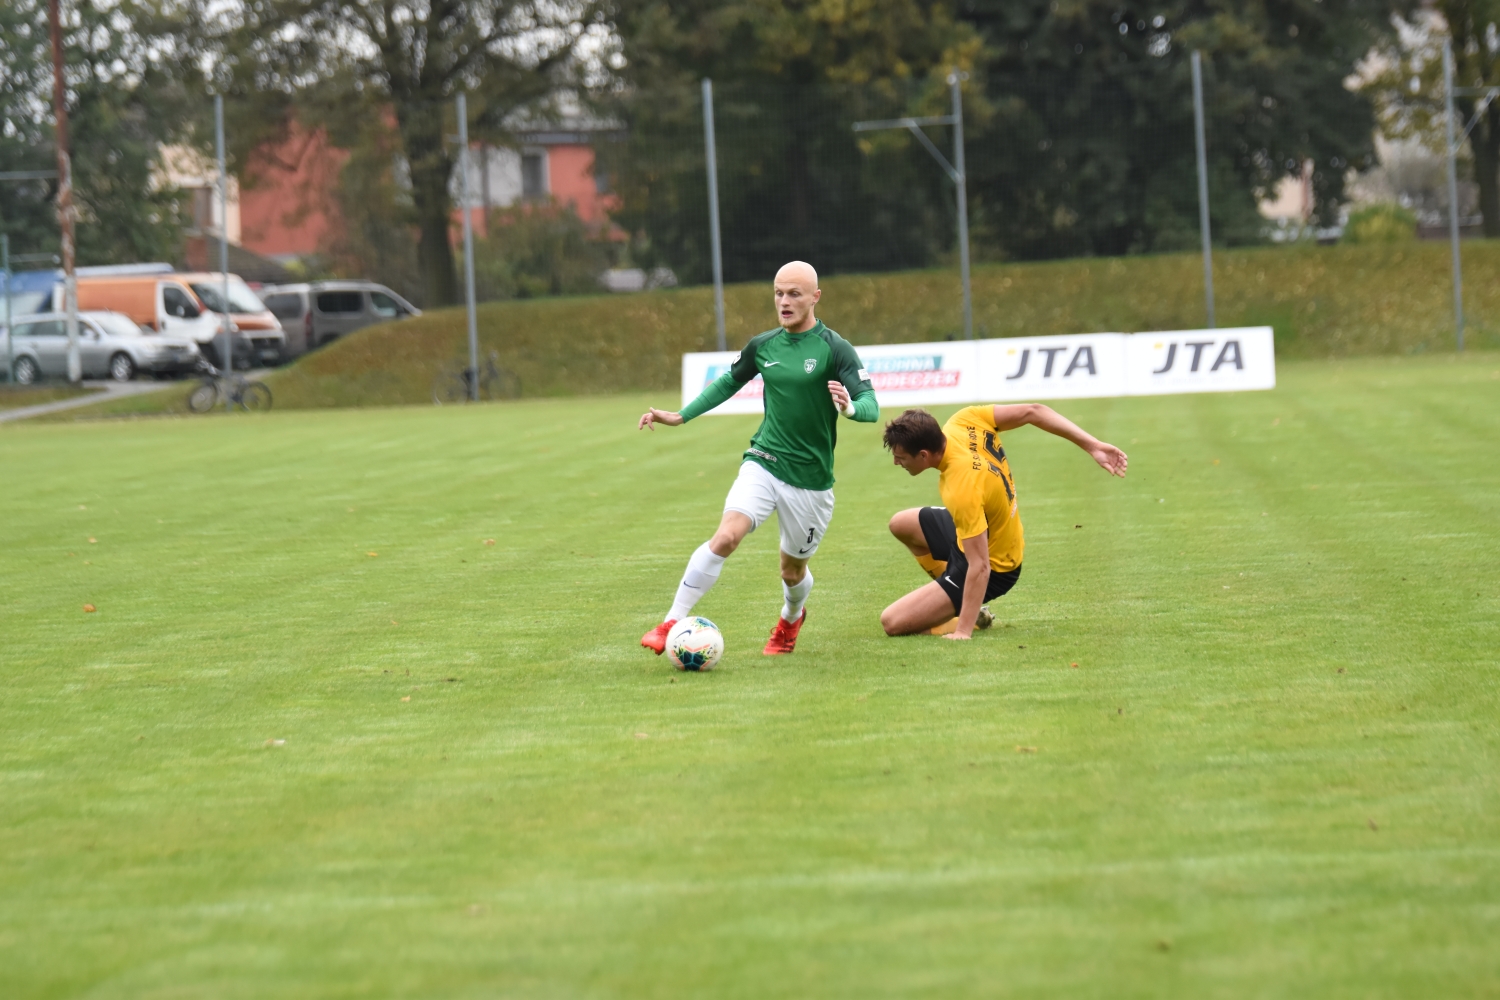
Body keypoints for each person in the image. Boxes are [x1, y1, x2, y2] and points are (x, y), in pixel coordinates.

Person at [638, 261, 879, 655]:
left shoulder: (835, 348)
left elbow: (872, 404)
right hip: (764, 460)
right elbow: (728, 382)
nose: (784, 302)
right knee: (727, 535)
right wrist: (681, 416)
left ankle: (790, 618)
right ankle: (670, 621)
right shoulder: (763, 345)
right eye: (779, 293)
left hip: (811, 480)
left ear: (815, 297)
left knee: (792, 570)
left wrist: (851, 409)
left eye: (794, 294)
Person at [879, 404, 1128, 640]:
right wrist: (1092, 445)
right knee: (902, 523)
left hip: (996, 565)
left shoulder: (961, 488)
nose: (896, 462)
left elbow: (980, 566)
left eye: (901, 457)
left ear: (923, 455)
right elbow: (1034, 411)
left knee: (892, 622)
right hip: (979, 531)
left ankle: (968, 618)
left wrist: (963, 632)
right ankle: (954, 599)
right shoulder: (963, 421)